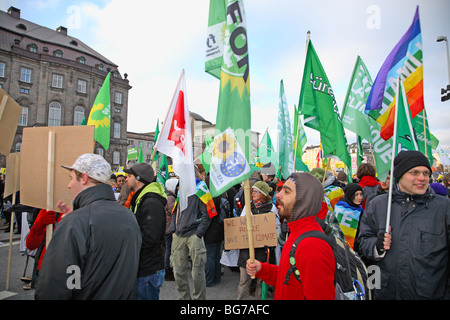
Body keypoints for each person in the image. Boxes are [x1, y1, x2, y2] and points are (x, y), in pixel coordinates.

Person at [35, 153, 142, 300]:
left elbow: (57, 286)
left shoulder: (75, 222)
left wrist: (72, 223)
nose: (69, 185)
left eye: (71, 178)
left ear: (84, 178)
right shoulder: (128, 216)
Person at [357, 150, 450, 300]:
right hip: (387, 293)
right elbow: (363, 242)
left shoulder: (443, 207)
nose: (422, 178)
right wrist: (376, 246)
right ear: (399, 175)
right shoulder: (378, 205)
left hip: (430, 293)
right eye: (415, 172)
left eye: (426, 173)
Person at [246, 172, 335, 300]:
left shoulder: (312, 246)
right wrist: (263, 269)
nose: (278, 195)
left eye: (287, 192)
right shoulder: (296, 232)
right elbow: (288, 279)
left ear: (304, 200)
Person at [124, 162, 167, 300]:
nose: (126, 179)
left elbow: (150, 237)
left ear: (138, 179)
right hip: (143, 265)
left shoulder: (151, 202)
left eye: (129, 175)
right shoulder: (142, 199)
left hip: (148, 268)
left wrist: (127, 242)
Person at [170, 178, 212, 300]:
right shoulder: (180, 191)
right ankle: (183, 298)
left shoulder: (201, 190)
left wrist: (198, 233)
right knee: (178, 271)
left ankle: (198, 299)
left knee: (197, 272)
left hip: (194, 234)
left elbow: (207, 214)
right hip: (178, 235)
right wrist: (174, 229)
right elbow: (174, 212)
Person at [237, 181, 279, 300]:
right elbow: (240, 225)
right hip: (247, 251)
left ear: (263, 194)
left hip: (263, 252)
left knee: (261, 282)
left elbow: (276, 229)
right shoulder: (248, 206)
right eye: (252, 191)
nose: (253, 193)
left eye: (256, 191)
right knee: (244, 281)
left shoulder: (272, 209)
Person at [334, 183, 364, 250]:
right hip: (340, 246)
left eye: (361, 194)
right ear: (350, 195)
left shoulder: (360, 210)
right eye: (356, 194)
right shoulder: (340, 208)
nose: (360, 197)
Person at [164, 177, 179, 281]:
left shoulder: (168, 196)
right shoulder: (171, 198)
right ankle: (168, 270)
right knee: (169, 249)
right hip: (169, 228)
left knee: (168, 249)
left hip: (167, 227)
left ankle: (168, 269)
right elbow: (173, 211)